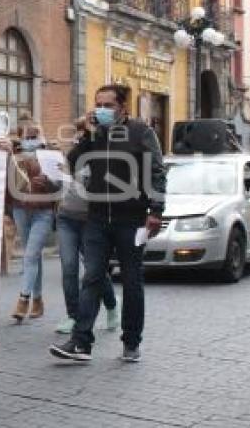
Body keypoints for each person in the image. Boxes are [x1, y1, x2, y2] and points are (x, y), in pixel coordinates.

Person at [49, 84, 165, 363]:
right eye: (97, 104)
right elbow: (74, 162)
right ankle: (81, 342)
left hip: (131, 218)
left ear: (123, 108)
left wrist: (156, 209)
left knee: (132, 281)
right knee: (91, 277)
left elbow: (157, 172)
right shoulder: (95, 134)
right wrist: (84, 136)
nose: (101, 110)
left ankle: (131, 342)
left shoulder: (141, 132)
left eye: (108, 105)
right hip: (97, 218)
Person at [55, 146, 118, 335]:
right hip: (66, 218)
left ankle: (112, 305)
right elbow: (57, 189)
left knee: (94, 270)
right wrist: (53, 178)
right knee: (69, 267)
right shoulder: (69, 161)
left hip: (89, 222)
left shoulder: (98, 163)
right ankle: (73, 316)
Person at [7, 113, 60, 322]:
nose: (32, 138)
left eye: (36, 134)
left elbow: (61, 185)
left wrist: (49, 181)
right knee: (34, 257)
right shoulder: (12, 154)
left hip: (43, 211)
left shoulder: (52, 155)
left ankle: (23, 298)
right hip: (20, 209)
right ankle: (38, 299)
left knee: (29, 255)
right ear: (21, 136)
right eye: (28, 135)